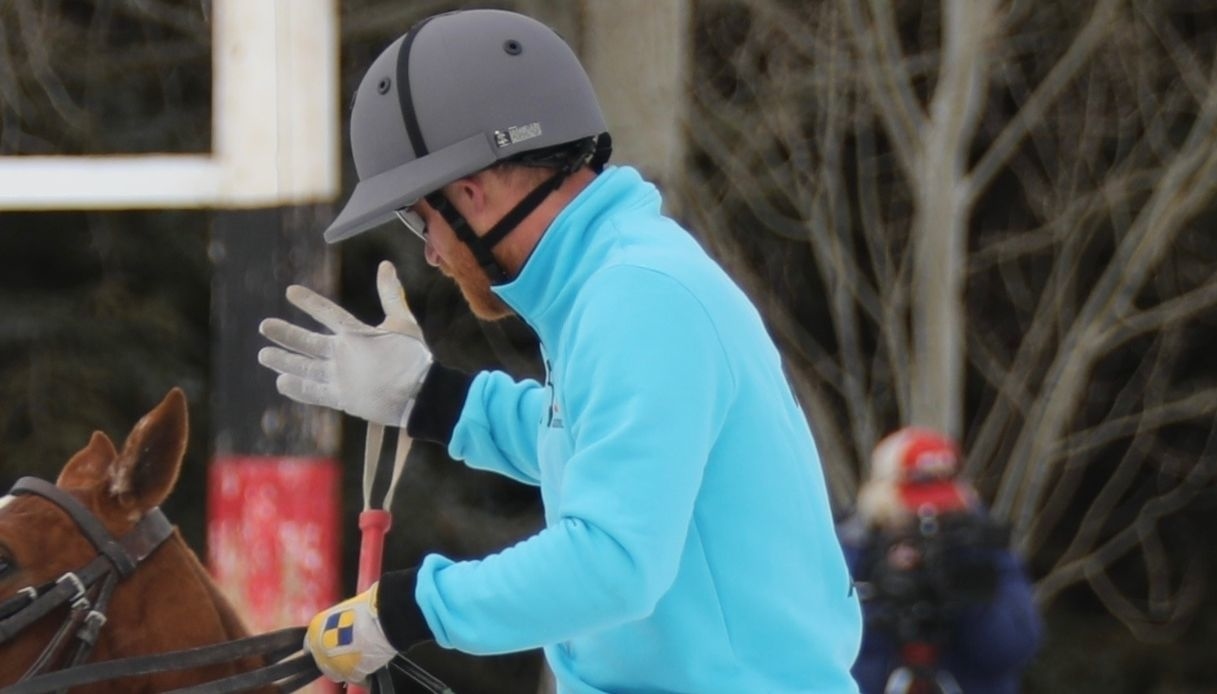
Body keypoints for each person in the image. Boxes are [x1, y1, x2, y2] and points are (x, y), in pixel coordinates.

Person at [257, 9, 861, 693]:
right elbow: (593, 444)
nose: (429, 251)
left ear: (469, 194)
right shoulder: (614, 281)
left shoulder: (637, 296)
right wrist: (432, 400)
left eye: (419, 220)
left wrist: (403, 612)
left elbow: (612, 564)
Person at [837, 427, 1043, 694]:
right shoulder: (850, 548)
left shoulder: (978, 546)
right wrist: (883, 594)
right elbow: (831, 653)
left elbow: (1011, 650)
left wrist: (969, 592)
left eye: (942, 507)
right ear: (881, 494)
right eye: (914, 510)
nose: (930, 517)